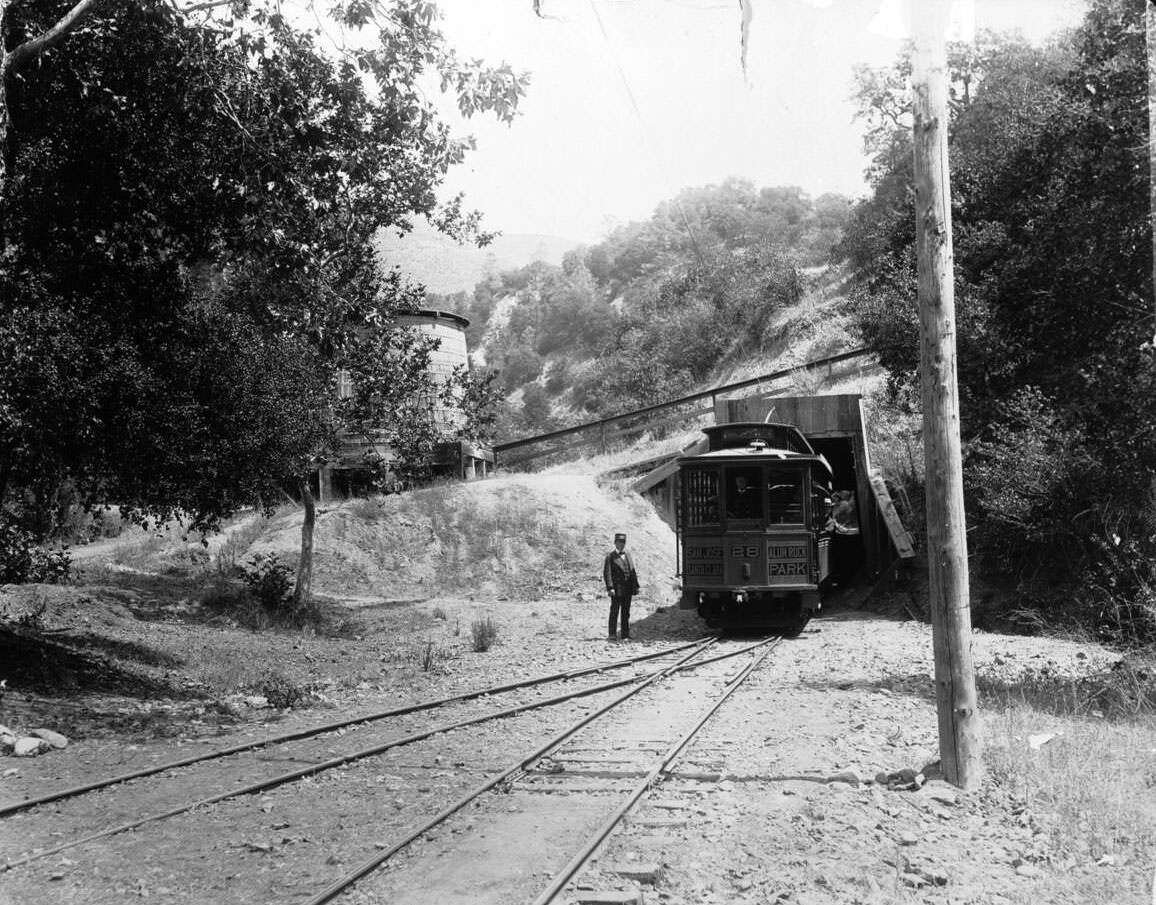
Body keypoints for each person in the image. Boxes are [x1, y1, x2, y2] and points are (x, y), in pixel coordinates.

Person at [602, 532, 640, 641]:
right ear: (615, 543)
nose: (621, 544)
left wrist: (636, 586)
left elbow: (632, 571)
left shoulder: (627, 554)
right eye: (619, 542)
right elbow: (607, 573)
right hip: (617, 589)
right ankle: (612, 634)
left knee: (626, 612)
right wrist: (610, 588)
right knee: (614, 611)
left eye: (623, 542)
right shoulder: (610, 556)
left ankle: (625, 634)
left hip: (627, 589)